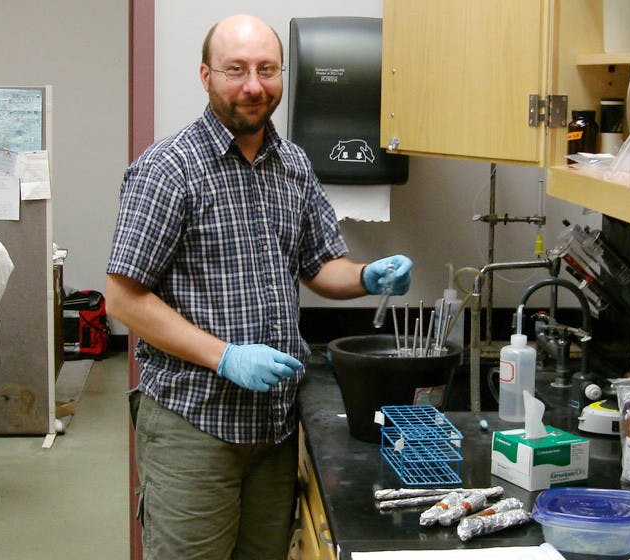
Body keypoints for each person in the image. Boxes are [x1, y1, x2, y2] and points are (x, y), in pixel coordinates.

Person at [106, 13, 413, 560]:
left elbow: (321, 266)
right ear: (206, 75)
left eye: (267, 69)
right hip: (193, 424)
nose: (254, 85)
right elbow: (123, 298)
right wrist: (224, 357)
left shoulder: (293, 165)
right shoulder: (168, 168)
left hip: (273, 428)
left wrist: (367, 276)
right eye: (236, 70)